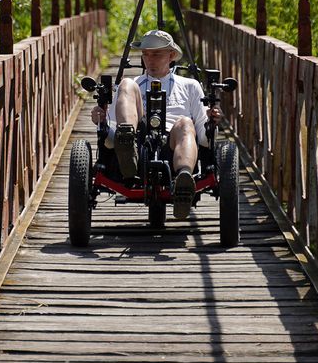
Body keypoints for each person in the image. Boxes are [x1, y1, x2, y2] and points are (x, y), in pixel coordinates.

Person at [90, 29, 222, 220]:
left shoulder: (189, 86)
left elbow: (203, 137)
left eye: (157, 54)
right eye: (146, 54)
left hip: (175, 144)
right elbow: (109, 139)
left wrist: (211, 120)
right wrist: (100, 120)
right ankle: (128, 146)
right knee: (126, 83)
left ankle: (183, 181)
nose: (150, 59)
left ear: (171, 56)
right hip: (137, 143)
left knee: (185, 122)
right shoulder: (132, 85)